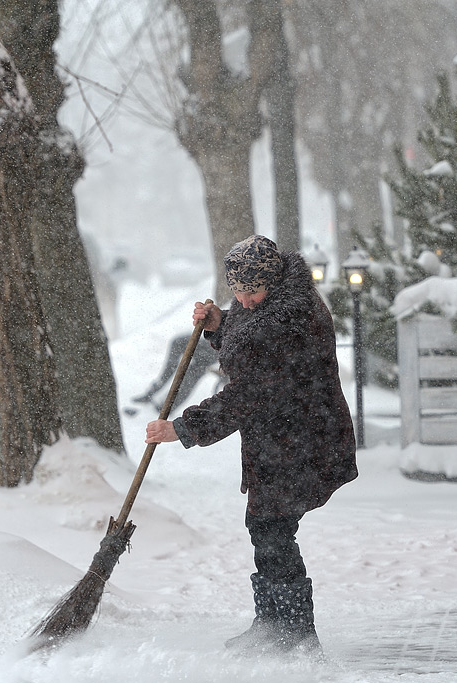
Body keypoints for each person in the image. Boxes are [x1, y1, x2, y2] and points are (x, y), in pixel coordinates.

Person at [145, 235, 358, 656]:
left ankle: (296, 635)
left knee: (274, 529)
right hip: (279, 438)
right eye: (236, 293)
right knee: (265, 527)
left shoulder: (291, 320)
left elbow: (250, 392)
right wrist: (219, 324)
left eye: (250, 292)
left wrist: (185, 429)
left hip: (303, 440)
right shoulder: (272, 304)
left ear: (272, 282)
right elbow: (248, 340)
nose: (243, 301)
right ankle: (271, 625)